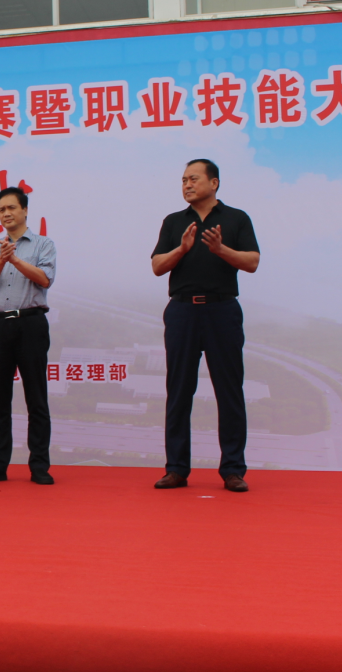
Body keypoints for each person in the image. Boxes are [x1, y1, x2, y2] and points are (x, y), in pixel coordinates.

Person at [150, 159, 260, 493]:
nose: (187, 185)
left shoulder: (236, 218)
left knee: (229, 391)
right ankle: (176, 469)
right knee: (179, 391)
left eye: (193, 179)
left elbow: (252, 262)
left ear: (214, 183)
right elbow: (157, 266)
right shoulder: (174, 221)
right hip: (182, 311)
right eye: (183, 180)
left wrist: (220, 249)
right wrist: (182, 249)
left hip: (222, 310)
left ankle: (233, 469)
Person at [0, 186, 57, 485]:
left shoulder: (43, 244)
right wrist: (1, 259)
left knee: (36, 397)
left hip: (31, 323)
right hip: (0, 325)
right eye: (1, 210)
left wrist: (15, 260)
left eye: (11, 208)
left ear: (25, 210)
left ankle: (39, 466)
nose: (6, 214)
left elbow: (45, 279)